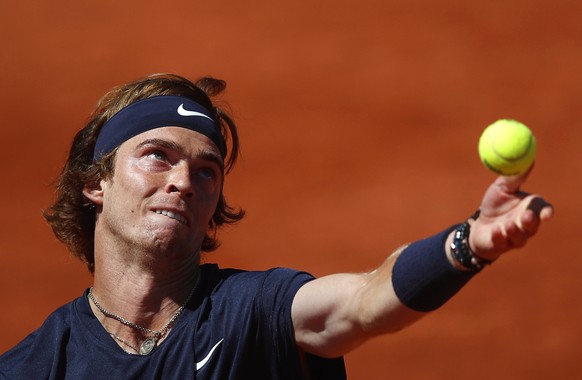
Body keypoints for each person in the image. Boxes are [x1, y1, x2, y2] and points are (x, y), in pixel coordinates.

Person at [0, 73, 553, 379]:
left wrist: (464, 244)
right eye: (157, 155)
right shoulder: (35, 367)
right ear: (94, 183)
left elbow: (360, 302)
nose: (184, 181)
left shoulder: (256, 313)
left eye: (206, 170)